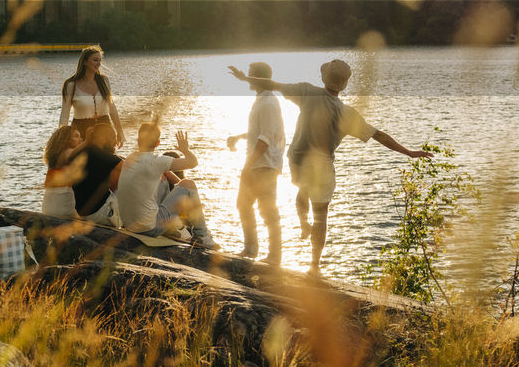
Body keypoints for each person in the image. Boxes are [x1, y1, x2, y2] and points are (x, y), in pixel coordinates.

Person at [228, 59, 431, 274]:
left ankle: (303, 222)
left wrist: (245, 78)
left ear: (324, 78)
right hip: (324, 165)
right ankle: (314, 265)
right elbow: (379, 135)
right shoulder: (346, 113)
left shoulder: (308, 92)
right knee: (321, 215)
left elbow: (272, 85)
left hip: (298, 160)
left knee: (302, 192)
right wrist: (409, 152)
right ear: (343, 85)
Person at [115, 122, 219, 249]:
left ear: (138, 141)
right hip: (148, 228)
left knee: (160, 183)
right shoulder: (156, 162)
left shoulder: (129, 160)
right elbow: (193, 163)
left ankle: (175, 228)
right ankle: (203, 236)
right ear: (158, 143)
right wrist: (185, 150)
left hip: (129, 225)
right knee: (188, 184)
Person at [228, 61, 285, 264]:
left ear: (259, 78)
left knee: (267, 209)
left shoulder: (269, 102)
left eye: (251, 75)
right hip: (258, 163)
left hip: (264, 165)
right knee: (244, 204)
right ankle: (250, 249)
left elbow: (265, 141)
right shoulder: (262, 99)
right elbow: (259, 132)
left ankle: (274, 256)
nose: (248, 79)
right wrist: (239, 137)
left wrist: (247, 166)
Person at [59, 45, 124, 147]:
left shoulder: (104, 81)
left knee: (107, 161)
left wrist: (120, 132)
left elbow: (112, 109)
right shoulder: (71, 84)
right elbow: (64, 114)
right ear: (84, 62)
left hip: (105, 129)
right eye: (95, 60)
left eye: (100, 60)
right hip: (81, 131)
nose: (98, 64)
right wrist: (61, 139)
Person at [67, 123, 123, 226]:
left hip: (84, 213)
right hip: (100, 214)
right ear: (102, 138)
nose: (115, 141)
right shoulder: (98, 154)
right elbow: (128, 167)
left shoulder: (85, 152)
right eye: (112, 137)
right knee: (129, 177)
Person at [41, 125, 86, 219]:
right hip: (63, 205)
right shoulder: (68, 152)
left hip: (48, 205)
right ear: (66, 140)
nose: (80, 139)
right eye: (76, 136)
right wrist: (89, 141)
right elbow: (73, 154)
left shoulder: (54, 155)